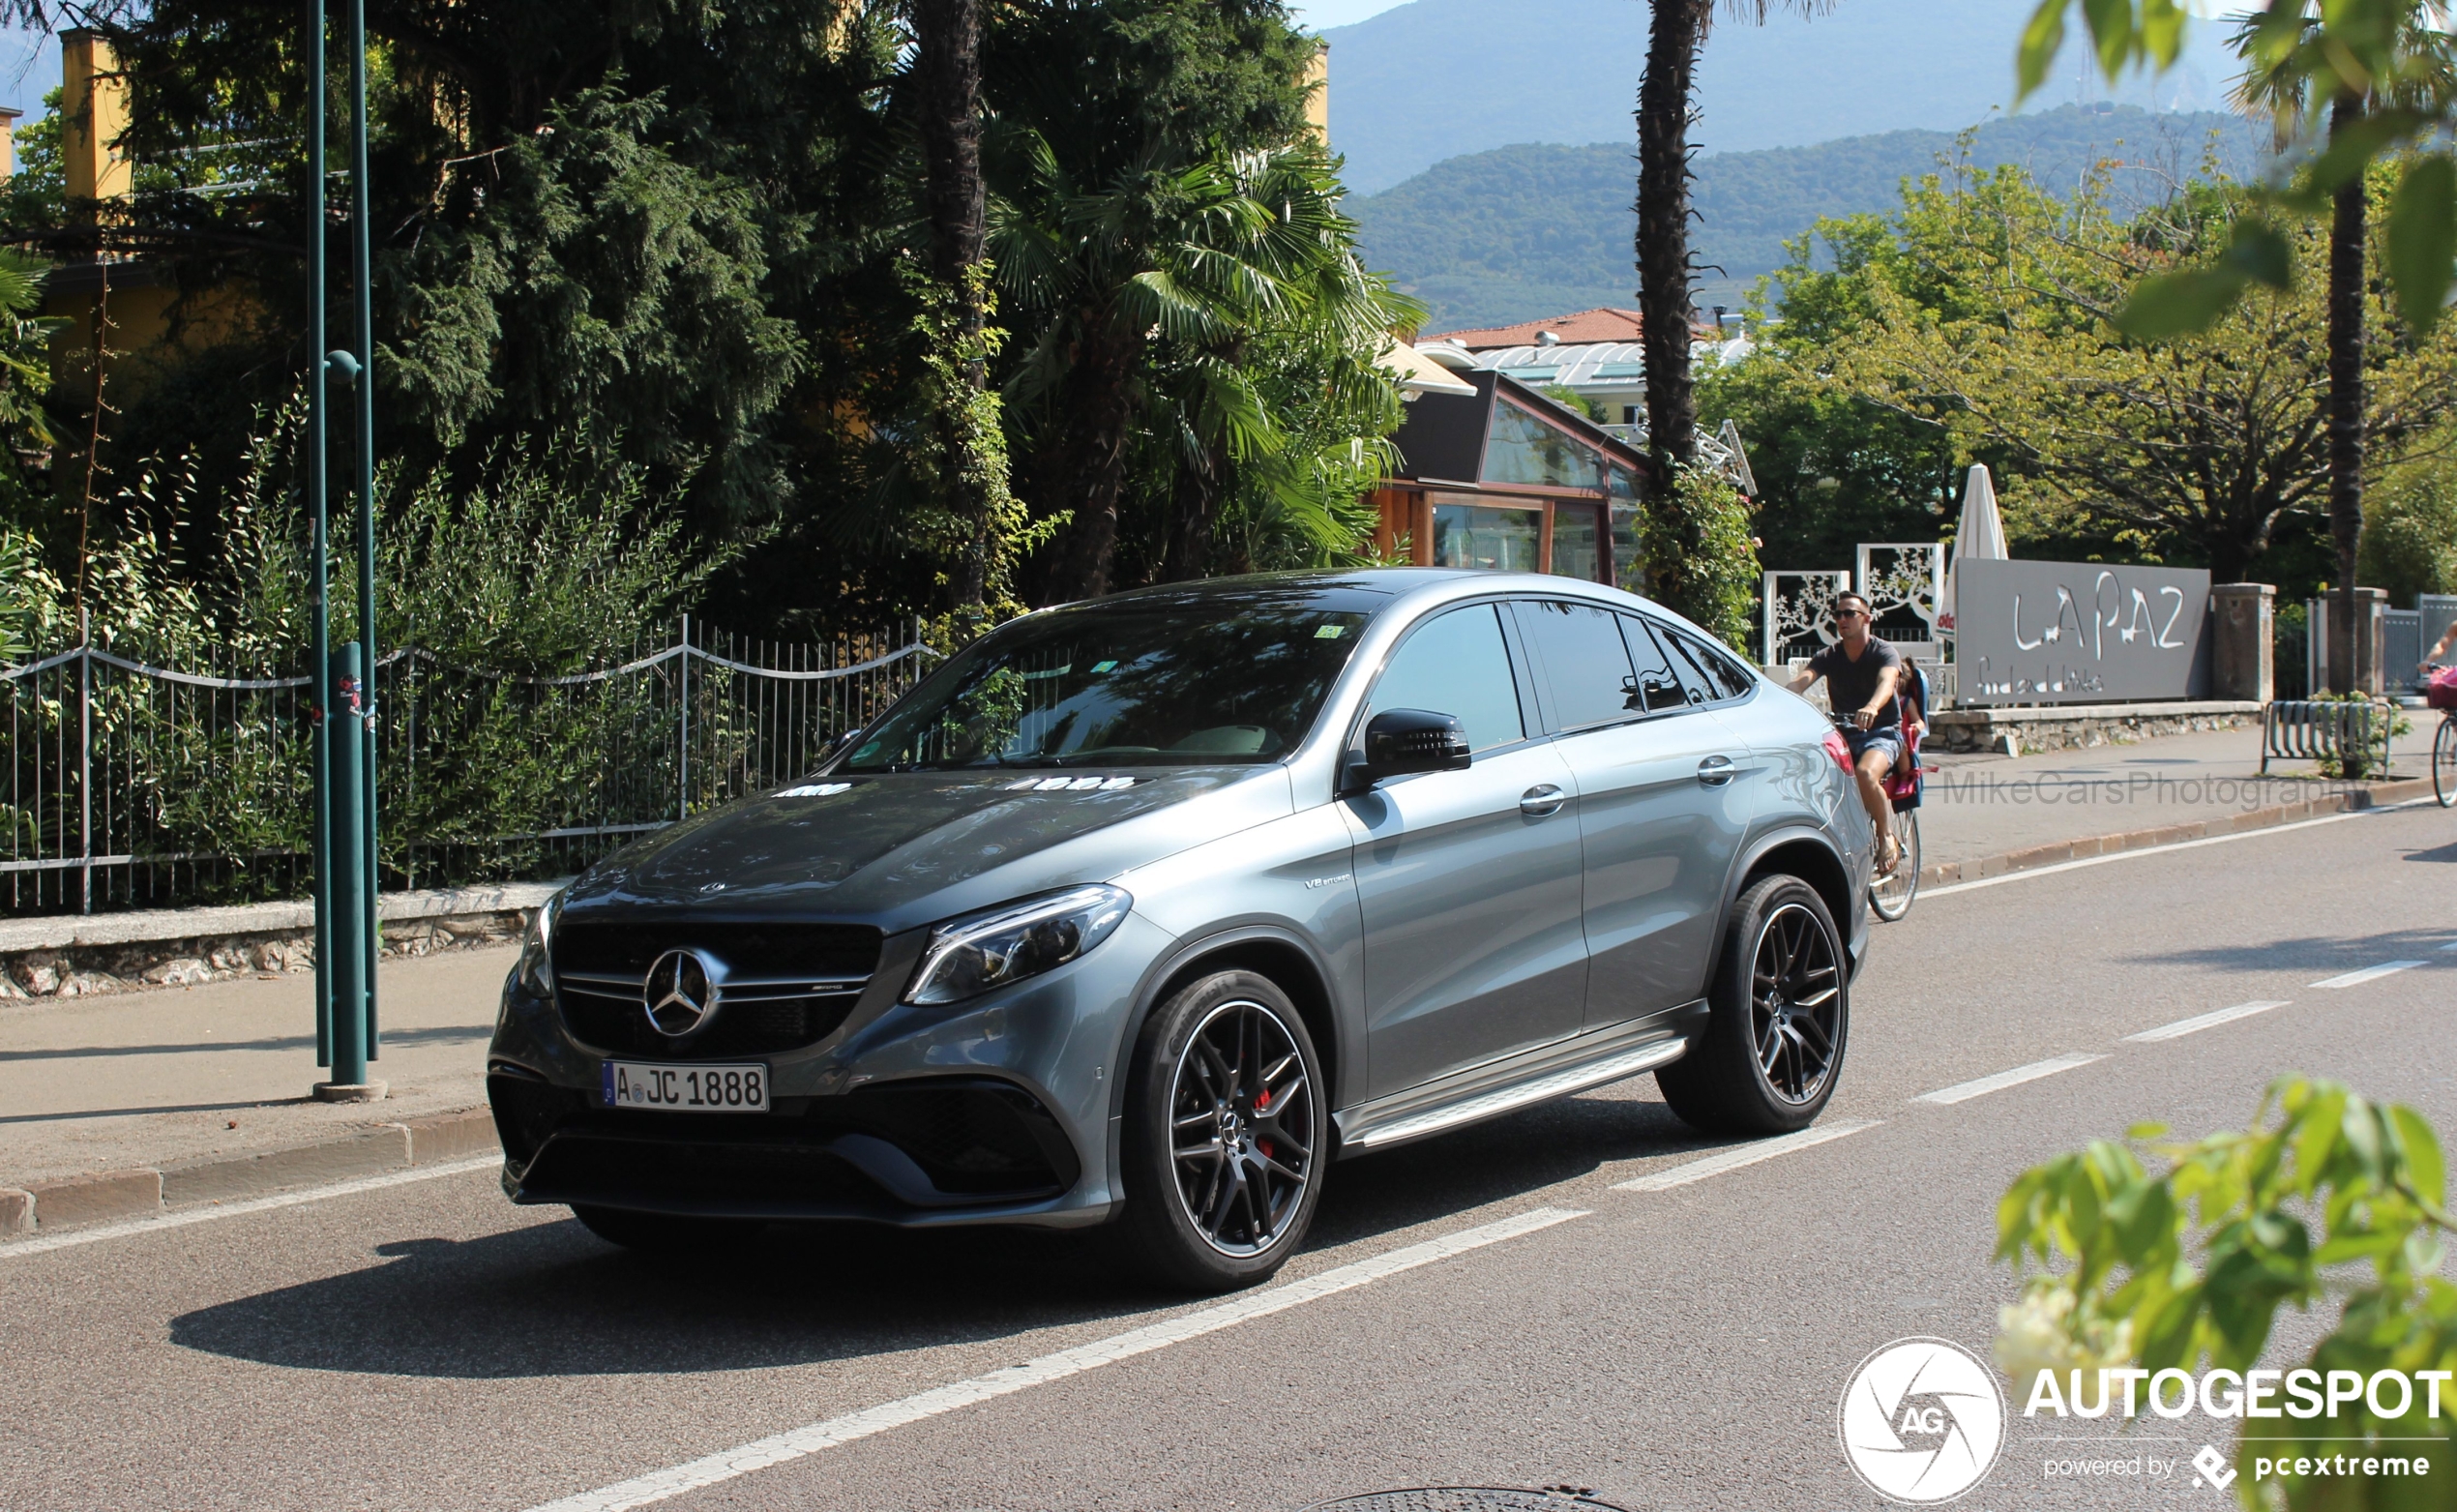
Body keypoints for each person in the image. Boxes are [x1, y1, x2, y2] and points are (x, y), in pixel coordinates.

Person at [1790, 593, 1908, 874]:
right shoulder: (1829, 656)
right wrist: (1779, 700)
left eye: (1849, 613)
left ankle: (1886, 835)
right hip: (1843, 736)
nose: (1842, 619)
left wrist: (1872, 706)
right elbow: (1800, 682)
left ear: (1866, 618)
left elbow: (1887, 682)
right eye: (1838, 614)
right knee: (1808, 780)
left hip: (1882, 732)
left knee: (1866, 773)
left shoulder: (1883, 652)